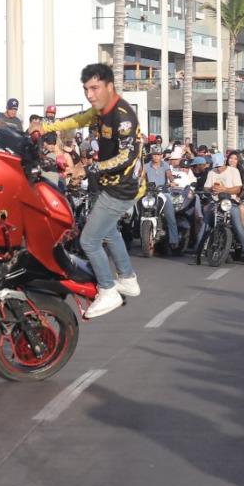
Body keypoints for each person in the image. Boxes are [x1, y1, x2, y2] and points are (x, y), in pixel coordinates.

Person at [43, 64, 143, 318]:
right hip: (111, 183)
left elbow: (128, 155)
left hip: (121, 187)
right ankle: (128, 279)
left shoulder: (123, 116)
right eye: (86, 89)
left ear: (110, 87)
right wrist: (44, 129)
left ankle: (108, 290)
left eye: (95, 88)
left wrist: (93, 168)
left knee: (89, 239)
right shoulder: (99, 111)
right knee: (108, 231)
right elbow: (77, 119)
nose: (90, 94)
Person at [195, 152, 244, 264]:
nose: (219, 169)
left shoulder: (233, 171)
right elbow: (206, 187)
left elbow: (237, 189)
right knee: (205, 225)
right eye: (216, 166)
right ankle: (197, 253)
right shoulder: (211, 172)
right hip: (215, 202)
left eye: (220, 166)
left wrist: (224, 189)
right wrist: (211, 189)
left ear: (224, 162)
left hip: (230, 202)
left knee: (238, 226)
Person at [143, 147, 179, 251]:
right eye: (154, 154)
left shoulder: (165, 165)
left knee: (170, 216)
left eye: (158, 154)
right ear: (151, 156)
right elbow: (141, 177)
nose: (156, 157)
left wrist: (172, 182)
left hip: (163, 193)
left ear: (162, 156)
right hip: (149, 193)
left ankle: (174, 240)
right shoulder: (145, 166)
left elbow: (170, 176)